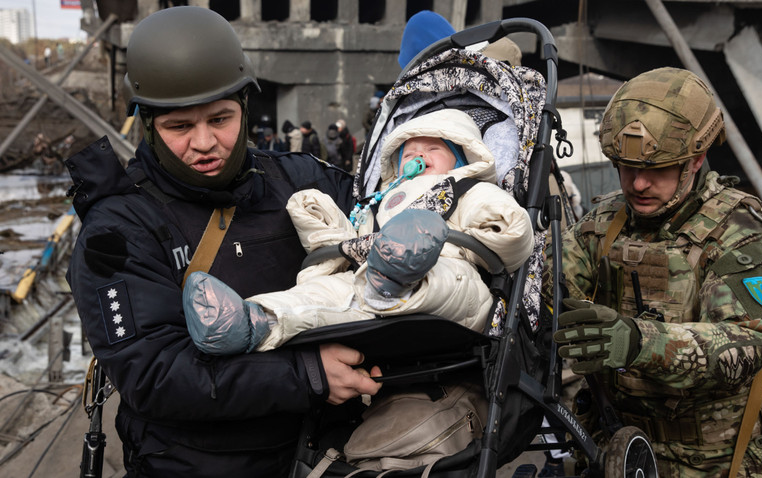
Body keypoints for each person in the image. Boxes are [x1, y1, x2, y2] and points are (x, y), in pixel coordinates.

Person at [62, 7, 381, 477]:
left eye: (220, 118)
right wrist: (307, 375)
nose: (205, 142)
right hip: (197, 463)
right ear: (148, 125)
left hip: (332, 450)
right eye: (179, 127)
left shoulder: (302, 180)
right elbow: (153, 375)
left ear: (245, 110)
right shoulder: (119, 229)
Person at [554, 67, 762, 476]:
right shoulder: (605, 221)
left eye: (658, 170)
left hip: (717, 458)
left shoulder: (742, 235)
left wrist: (637, 341)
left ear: (697, 159)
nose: (638, 184)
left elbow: (748, 343)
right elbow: (552, 288)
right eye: (626, 167)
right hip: (619, 445)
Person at [184, 108, 533, 352]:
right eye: (409, 150)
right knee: (322, 295)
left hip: (448, 278)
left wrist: (499, 220)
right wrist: (324, 227)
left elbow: (510, 232)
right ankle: (250, 321)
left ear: (460, 160)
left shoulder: (466, 190)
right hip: (367, 277)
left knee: (444, 275)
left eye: (433, 149)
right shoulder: (384, 199)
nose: (419, 154)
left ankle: (395, 276)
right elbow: (355, 240)